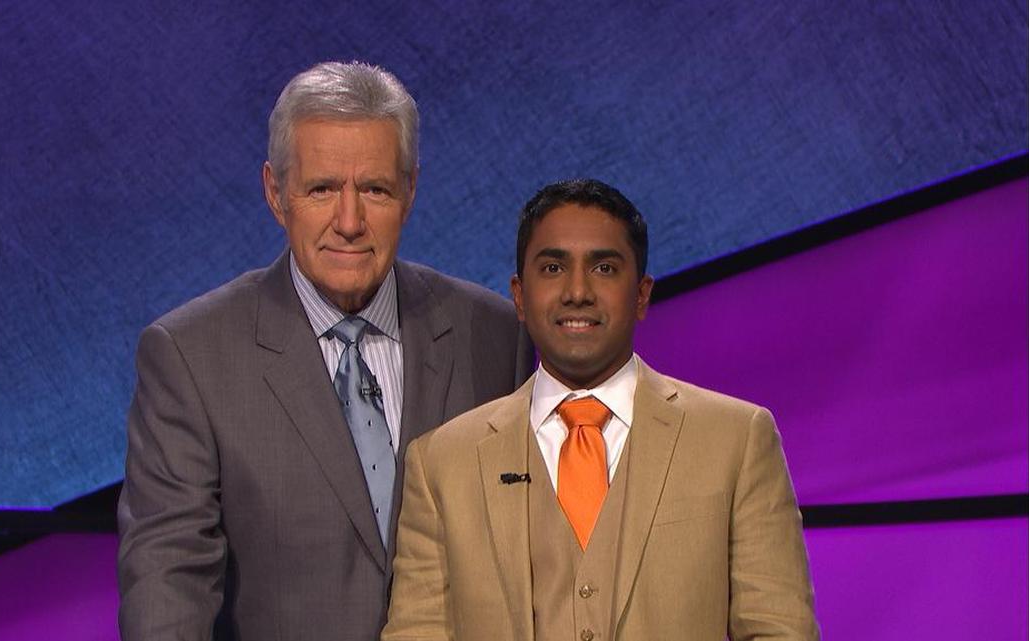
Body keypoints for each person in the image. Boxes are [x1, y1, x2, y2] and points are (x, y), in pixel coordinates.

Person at [117, 61, 534, 641]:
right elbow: (167, 586)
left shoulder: (492, 334)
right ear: (275, 192)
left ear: (410, 191)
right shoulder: (191, 357)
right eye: (321, 189)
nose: (349, 221)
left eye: (375, 190)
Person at [383, 179, 819, 640]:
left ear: (642, 294)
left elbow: (779, 632)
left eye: (604, 268)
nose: (577, 292)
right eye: (553, 267)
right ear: (518, 295)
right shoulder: (441, 463)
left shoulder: (737, 438)